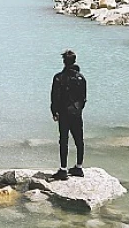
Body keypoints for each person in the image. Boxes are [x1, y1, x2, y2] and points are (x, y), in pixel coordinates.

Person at [50, 49, 86, 180]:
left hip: (64, 113)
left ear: (64, 62)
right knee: (79, 140)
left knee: (64, 141)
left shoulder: (59, 77)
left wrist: (54, 112)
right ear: (74, 61)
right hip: (76, 112)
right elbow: (83, 98)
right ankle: (79, 167)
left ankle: (63, 170)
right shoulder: (81, 78)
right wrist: (79, 109)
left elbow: (55, 97)